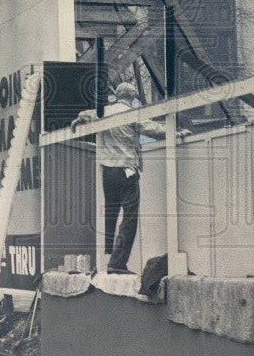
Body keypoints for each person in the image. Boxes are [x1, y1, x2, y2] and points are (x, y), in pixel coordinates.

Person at [71, 82, 186, 274]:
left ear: (117, 95)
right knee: (129, 218)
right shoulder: (133, 114)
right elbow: (155, 130)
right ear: (132, 98)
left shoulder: (104, 111)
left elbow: (86, 114)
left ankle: (107, 257)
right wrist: (177, 133)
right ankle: (117, 263)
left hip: (108, 172)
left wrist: (77, 120)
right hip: (126, 170)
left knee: (111, 214)